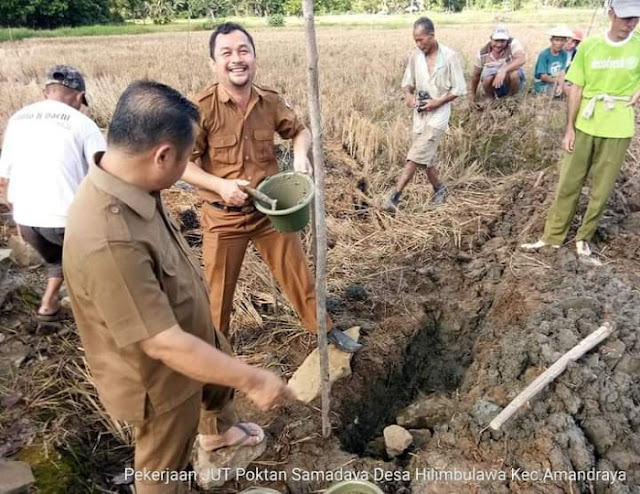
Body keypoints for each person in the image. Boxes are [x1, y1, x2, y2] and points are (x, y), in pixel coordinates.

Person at [63, 80, 294, 493]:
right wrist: (254, 379)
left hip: (191, 335)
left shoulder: (133, 181)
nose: (189, 170)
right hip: (159, 379)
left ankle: (218, 435)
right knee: (162, 468)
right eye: (187, 158)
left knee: (215, 376)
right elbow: (165, 345)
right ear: (163, 154)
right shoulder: (108, 237)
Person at [182, 22, 361, 353]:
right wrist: (219, 185)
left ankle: (325, 331)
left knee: (298, 274)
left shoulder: (270, 101)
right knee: (217, 292)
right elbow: (183, 164)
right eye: (226, 53)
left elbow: (300, 131)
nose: (237, 59)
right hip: (223, 218)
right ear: (213, 63)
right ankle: (216, 354)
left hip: (269, 211)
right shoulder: (200, 108)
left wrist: (299, 155)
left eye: (243, 51)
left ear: (254, 57)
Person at [522, 0, 640, 258]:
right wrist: (570, 129)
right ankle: (552, 237)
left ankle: (583, 238)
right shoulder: (590, 46)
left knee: (602, 188)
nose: (630, 23)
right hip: (586, 121)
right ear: (611, 14)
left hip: (618, 126)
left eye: (635, 18)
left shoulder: (638, 44)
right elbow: (575, 88)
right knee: (568, 182)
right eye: (625, 17)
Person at [0, 65, 105, 321]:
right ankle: (95, 317)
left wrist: (18, 211)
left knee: (56, 260)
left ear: (46, 92)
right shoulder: (83, 123)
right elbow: (104, 174)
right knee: (97, 265)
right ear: (79, 96)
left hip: (26, 220)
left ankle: (48, 306)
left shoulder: (18, 119)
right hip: (64, 220)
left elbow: (4, 178)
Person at [383, 17, 466, 212]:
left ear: (432, 36)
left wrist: (438, 101)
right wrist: (409, 96)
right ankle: (439, 188)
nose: (418, 44)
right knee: (426, 158)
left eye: (421, 40)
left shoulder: (450, 56)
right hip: (420, 114)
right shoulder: (415, 56)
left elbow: (459, 88)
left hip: (439, 114)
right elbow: (407, 84)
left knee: (416, 154)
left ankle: (395, 196)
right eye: (415, 41)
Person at [469, 25, 526, 101]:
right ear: (491, 39)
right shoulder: (482, 54)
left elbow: (521, 59)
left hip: (511, 82)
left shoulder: (513, 43)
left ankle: (510, 98)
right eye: (496, 40)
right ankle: (490, 98)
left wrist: (503, 70)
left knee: (514, 74)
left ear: (507, 40)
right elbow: (476, 75)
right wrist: (472, 94)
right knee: (487, 77)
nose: (499, 45)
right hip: (494, 83)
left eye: (502, 41)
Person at [533, 25, 573, 97]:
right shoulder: (544, 54)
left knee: (571, 89)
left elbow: (562, 72)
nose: (559, 43)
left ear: (565, 41)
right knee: (553, 91)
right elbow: (543, 77)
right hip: (543, 83)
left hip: (558, 81)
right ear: (551, 40)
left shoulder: (564, 54)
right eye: (557, 40)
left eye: (562, 40)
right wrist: (558, 82)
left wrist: (561, 85)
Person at [563, 28, 584, 97]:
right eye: (571, 40)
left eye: (576, 42)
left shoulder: (576, 54)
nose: (573, 44)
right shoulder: (559, 52)